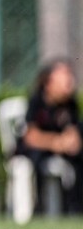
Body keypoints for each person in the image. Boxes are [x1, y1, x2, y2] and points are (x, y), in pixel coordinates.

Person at [16, 59, 83, 215]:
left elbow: (73, 131)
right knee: (34, 159)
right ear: (48, 82)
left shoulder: (70, 103)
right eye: (64, 76)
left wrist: (72, 141)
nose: (70, 81)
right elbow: (30, 136)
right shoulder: (37, 101)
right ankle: (37, 208)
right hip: (36, 152)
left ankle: (75, 210)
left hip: (59, 152)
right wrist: (55, 142)